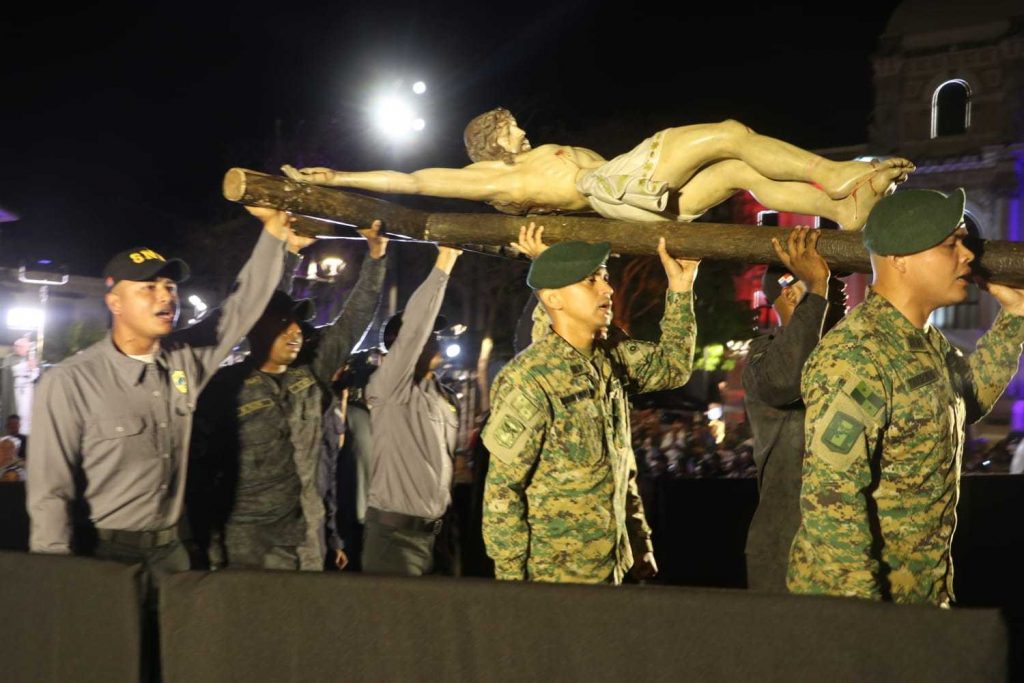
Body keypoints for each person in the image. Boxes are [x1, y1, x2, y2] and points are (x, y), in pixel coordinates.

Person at [26, 206, 293, 588]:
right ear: (115, 303)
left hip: (173, 555)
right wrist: (55, 576)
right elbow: (50, 493)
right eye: (148, 288)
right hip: (103, 556)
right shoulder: (70, 382)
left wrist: (274, 234)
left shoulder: (184, 359)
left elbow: (241, 308)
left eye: (170, 286)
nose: (165, 296)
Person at [787, 188, 1024, 606]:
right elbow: (833, 505)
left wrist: (1016, 317)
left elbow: (968, 400)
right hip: (870, 610)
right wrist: (865, 622)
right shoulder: (857, 356)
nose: (967, 255)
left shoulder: (924, 342)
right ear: (899, 258)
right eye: (950, 244)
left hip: (921, 598)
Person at [283, 108, 914, 230]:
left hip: (631, 192)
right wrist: (339, 179)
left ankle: (842, 207)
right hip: (617, 187)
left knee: (735, 170)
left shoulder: (527, 158)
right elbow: (415, 182)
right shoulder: (493, 178)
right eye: (511, 129)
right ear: (493, 142)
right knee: (729, 133)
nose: (522, 131)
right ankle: (836, 175)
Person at [482, 235, 698, 584]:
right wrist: (513, 588)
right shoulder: (531, 378)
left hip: (613, 570)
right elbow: (502, 492)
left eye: (605, 277)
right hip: (555, 580)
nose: (607, 289)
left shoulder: (610, 359)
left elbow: (671, 368)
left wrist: (681, 287)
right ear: (554, 299)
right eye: (590, 280)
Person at [190, 220, 387, 572]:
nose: (295, 331)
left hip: (306, 541)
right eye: (284, 323)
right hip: (246, 549)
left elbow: (352, 322)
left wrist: (375, 257)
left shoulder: (310, 374)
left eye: (297, 323)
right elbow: (202, 477)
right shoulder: (223, 388)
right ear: (256, 329)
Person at [742, 227, 845, 592]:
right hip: (787, 548)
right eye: (829, 285)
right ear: (788, 293)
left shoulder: (844, 355)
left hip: (843, 549)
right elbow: (788, 379)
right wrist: (817, 290)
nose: (838, 294)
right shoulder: (763, 357)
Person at [362, 246, 462, 577]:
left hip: (438, 536)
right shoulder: (391, 388)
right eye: (429, 334)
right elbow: (415, 328)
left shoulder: (443, 396)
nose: (436, 339)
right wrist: (445, 261)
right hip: (396, 539)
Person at [1, 336, 39, 433]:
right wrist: (24, 366)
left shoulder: (32, 358)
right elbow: (7, 371)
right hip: (15, 389)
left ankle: (25, 433)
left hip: (28, 389)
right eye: (16, 346)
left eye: (20, 346)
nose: (17, 348)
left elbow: (36, 376)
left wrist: (34, 368)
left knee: (26, 412)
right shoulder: (9, 358)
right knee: (16, 411)